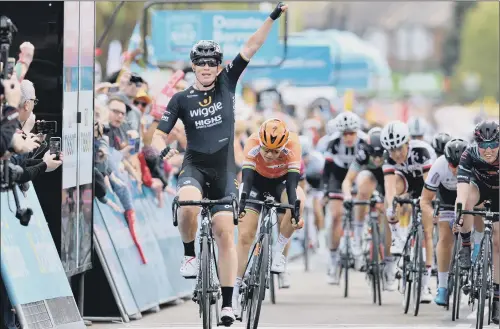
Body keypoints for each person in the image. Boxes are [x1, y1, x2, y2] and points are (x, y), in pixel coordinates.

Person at [153, 2, 288, 324]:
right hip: (194, 166)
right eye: (201, 64)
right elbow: (159, 135)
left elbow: (251, 46)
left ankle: (228, 303)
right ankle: (189, 256)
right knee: (187, 204)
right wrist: (162, 151)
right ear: (193, 67)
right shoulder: (180, 99)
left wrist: (272, 17)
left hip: (226, 169)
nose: (207, 68)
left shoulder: (228, 81)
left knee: (225, 230)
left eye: (212, 63)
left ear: (218, 66)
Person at [234, 118, 304, 318]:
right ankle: (234, 291)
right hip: (255, 184)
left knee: (298, 200)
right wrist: (242, 204)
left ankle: (278, 251)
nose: (271, 155)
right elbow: (246, 182)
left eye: (276, 151)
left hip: (282, 183)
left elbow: (292, 186)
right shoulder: (252, 142)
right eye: (267, 150)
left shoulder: (293, 144)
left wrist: (295, 213)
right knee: (246, 235)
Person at [381, 120, 436, 303]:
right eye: (391, 150)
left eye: (399, 148)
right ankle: (398, 237)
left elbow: (430, 185)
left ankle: (426, 283)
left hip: (426, 184)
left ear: (407, 142)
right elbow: (389, 189)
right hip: (405, 182)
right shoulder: (388, 157)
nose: (396, 154)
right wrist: (391, 207)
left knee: (427, 232)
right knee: (391, 200)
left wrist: (425, 202)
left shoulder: (422, 151)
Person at [455, 120, 499, 324]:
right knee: (467, 202)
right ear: (477, 145)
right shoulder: (469, 154)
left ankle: (497, 298)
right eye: (484, 146)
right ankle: (466, 244)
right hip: (479, 188)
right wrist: (460, 212)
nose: (488, 151)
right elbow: (462, 189)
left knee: (498, 242)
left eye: (493, 145)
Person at [419, 138, 468, 306]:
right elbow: (424, 200)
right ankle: (442, 286)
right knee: (445, 237)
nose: (454, 170)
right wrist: (433, 214)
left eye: (458, 166)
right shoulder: (439, 166)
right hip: (445, 196)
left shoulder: (473, 164)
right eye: (452, 165)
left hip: (468, 194)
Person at [322, 111, 367, 284]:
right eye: (345, 134)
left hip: (359, 174)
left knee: (363, 207)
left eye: (352, 133)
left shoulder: (365, 141)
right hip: (338, 176)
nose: (348, 137)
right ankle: (333, 260)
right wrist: (326, 191)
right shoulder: (332, 142)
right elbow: (327, 171)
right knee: (335, 216)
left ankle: (362, 238)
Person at [340, 127, 390, 277]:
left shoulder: (390, 156)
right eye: (373, 156)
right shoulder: (362, 153)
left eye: (379, 156)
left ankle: (386, 251)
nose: (376, 160)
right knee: (363, 182)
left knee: (386, 209)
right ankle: (358, 233)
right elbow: (347, 181)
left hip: (387, 178)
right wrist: (348, 196)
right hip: (370, 177)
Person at [300, 134, 326, 250]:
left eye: (305, 156)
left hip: (317, 182)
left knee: (316, 208)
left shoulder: (318, 160)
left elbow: (324, 180)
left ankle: (320, 235)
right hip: (302, 180)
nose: (303, 160)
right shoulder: (295, 163)